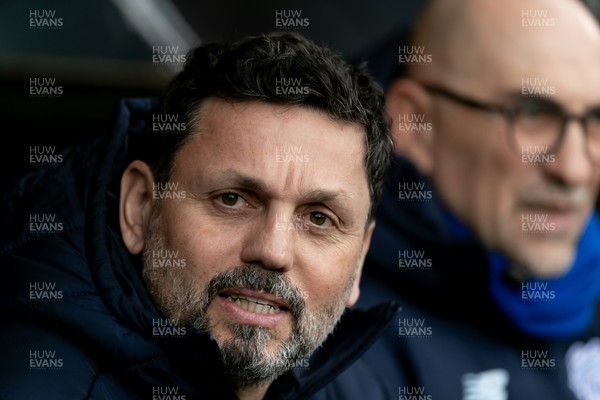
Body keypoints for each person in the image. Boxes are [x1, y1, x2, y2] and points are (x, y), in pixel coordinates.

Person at [0, 31, 398, 400]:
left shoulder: (357, 389)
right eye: (231, 199)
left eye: (318, 219)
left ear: (360, 258)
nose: (274, 252)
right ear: (139, 207)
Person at [346, 0, 600, 399]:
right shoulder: (333, 339)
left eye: (596, 121)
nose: (575, 169)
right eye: (533, 113)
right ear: (414, 123)